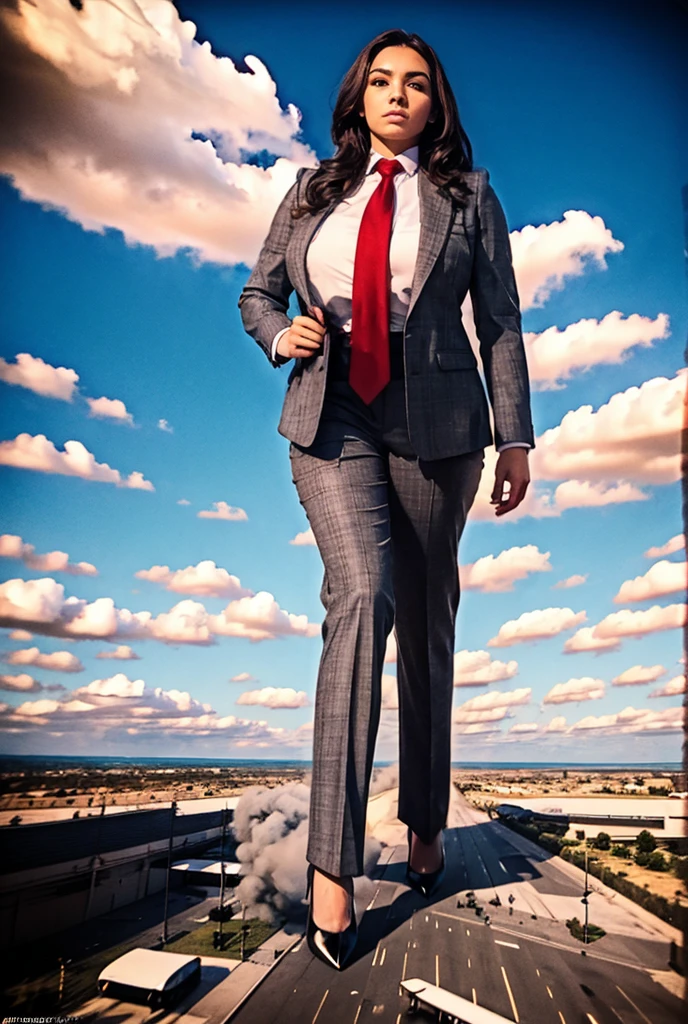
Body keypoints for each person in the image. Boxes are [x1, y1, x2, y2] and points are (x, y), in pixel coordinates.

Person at [238, 28, 534, 970]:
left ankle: (422, 821)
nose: (397, 95)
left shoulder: (468, 198)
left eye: (415, 83)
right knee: (362, 597)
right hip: (334, 417)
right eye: (381, 81)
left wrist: (516, 436)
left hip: (441, 427)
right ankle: (333, 872)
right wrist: (277, 335)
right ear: (359, 97)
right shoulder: (310, 192)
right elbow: (256, 294)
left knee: (429, 628)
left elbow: (501, 323)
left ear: (435, 103)